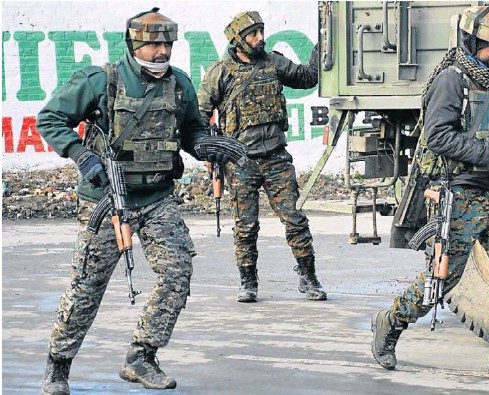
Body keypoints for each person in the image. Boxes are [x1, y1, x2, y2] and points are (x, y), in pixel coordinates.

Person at [37, 8, 211, 393]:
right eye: (154, 44)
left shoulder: (179, 84)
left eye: (167, 43)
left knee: (177, 273)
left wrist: (205, 145)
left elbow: (191, 130)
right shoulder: (101, 80)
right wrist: (82, 155)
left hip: (158, 198)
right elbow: (50, 118)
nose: (162, 50)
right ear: (135, 44)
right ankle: (58, 364)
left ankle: (141, 356)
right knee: (88, 286)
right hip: (107, 199)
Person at [371, 6, 489, 376]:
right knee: (443, 278)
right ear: (470, 40)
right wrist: (487, 152)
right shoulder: (451, 80)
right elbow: (437, 136)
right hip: (460, 193)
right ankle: (389, 323)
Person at [198, 11, 326, 303]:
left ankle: (309, 278)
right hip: (240, 162)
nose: (260, 39)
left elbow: (307, 77)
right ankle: (248, 281)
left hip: (276, 158)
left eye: (261, 32)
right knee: (245, 225)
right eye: (253, 35)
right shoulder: (221, 72)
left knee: (295, 219)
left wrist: (323, 44)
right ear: (238, 40)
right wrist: (208, 152)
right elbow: (200, 114)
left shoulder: (273, 61)